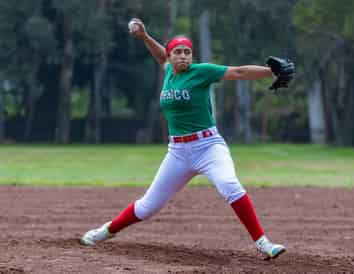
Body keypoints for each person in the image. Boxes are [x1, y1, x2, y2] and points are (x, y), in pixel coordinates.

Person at [81, 18, 286, 260]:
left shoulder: (201, 72)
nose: (183, 56)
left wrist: (271, 71)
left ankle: (263, 243)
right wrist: (145, 36)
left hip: (209, 146)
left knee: (230, 185)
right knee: (148, 206)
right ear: (171, 56)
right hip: (178, 152)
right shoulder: (169, 71)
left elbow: (238, 71)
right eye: (178, 52)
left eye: (187, 52)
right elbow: (161, 56)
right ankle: (106, 231)